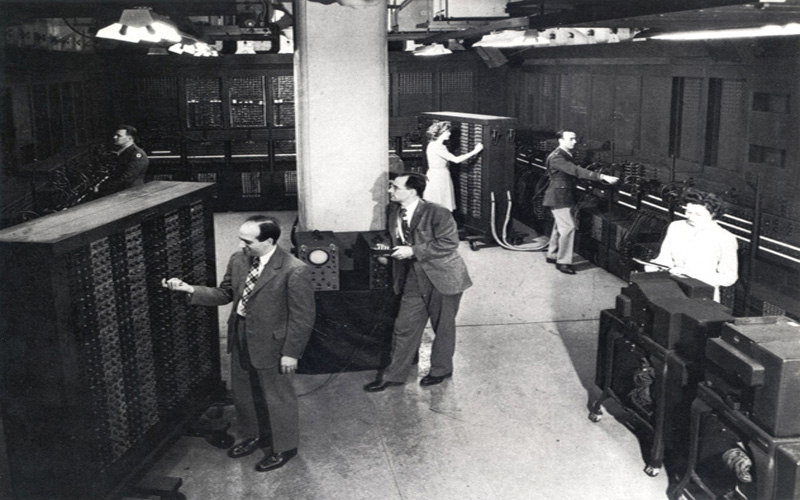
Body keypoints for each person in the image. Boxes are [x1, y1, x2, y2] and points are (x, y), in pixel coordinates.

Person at [162, 215, 315, 472]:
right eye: (241, 240)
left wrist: (291, 352)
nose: (242, 245)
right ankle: (254, 436)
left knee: (277, 397)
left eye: (247, 241)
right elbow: (225, 294)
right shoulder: (239, 259)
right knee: (244, 394)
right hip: (242, 334)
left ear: (268, 240)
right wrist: (190, 290)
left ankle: (284, 447)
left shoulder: (293, 269)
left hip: (274, 343)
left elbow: (303, 317)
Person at [364, 173, 472, 392]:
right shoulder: (393, 210)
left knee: (442, 327)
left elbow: (449, 243)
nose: (389, 191)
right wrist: (387, 250)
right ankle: (394, 375)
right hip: (412, 276)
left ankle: (441, 370)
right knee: (404, 326)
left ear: (412, 191)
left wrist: (413, 251)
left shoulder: (438, 212)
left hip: (442, 276)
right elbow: (393, 235)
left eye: (395, 187)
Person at [543, 129, 619, 274]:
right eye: (571, 139)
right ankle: (563, 262)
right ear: (561, 140)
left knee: (559, 227)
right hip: (559, 197)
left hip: (563, 195)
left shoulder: (565, 155)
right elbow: (575, 171)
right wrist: (601, 176)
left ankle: (552, 255)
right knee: (568, 227)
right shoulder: (557, 157)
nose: (574, 141)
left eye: (575, 139)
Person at [646, 189, 738, 302]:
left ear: (713, 214)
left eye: (698, 214)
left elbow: (729, 277)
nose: (691, 217)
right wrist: (655, 266)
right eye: (688, 212)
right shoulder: (676, 227)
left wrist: (692, 274)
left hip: (703, 295)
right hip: (672, 288)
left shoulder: (725, 238)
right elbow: (665, 258)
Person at [424, 121, 484, 211]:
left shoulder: (432, 144)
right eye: (447, 131)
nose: (449, 133)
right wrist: (475, 151)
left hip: (433, 174)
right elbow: (456, 160)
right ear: (441, 133)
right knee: (441, 201)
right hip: (440, 176)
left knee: (437, 200)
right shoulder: (438, 147)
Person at [98, 125, 149, 195]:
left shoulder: (137, 154)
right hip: (121, 192)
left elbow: (126, 179)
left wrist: (103, 188)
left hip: (131, 193)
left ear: (129, 138)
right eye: (115, 135)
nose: (114, 137)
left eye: (119, 136)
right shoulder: (122, 152)